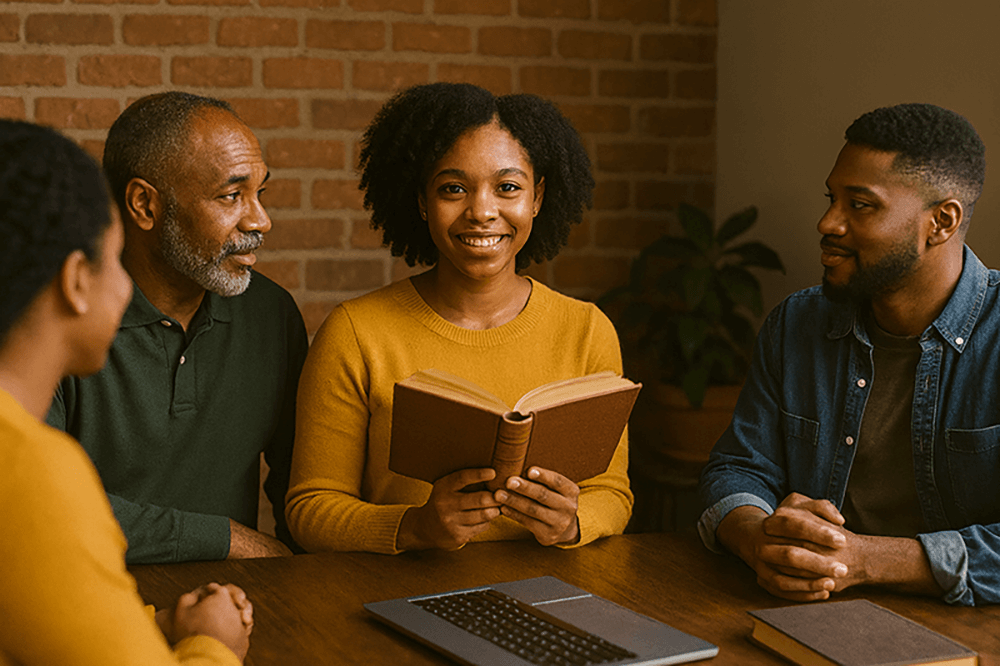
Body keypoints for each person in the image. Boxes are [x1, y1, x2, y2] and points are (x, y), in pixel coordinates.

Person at [286, 83, 632, 554]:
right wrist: (413, 527)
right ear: (422, 201)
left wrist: (572, 522)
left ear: (537, 198)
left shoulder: (587, 330)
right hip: (395, 596)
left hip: (549, 592)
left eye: (507, 187)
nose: (482, 212)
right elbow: (310, 507)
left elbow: (612, 493)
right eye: (454, 189)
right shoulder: (356, 333)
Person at [698, 103, 1000, 606]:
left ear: (941, 222)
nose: (827, 222)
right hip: (811, 611)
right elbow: (738, 468)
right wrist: (758, 539)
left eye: (859, 205)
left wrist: (861, 560)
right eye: (831, 199)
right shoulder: (796, 323)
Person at [0, 119, 253, 664]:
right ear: (75, 281)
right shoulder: (31, 472)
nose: (126, 285)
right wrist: (212, 642)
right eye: (115, 259)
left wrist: (154, 621)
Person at [46, 92, 308, 563]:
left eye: (260, 193)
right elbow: (37, 502)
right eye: (231, 196)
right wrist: (227, 538)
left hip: (233, 608)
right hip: (82, 598)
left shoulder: (271, 313)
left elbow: (304, 487)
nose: (260, 220)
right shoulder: (60, 316)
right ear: (144, 205)